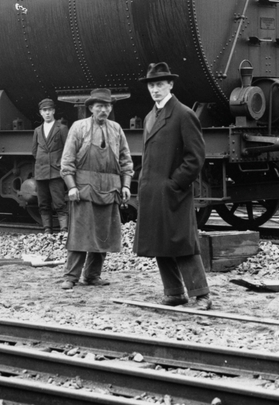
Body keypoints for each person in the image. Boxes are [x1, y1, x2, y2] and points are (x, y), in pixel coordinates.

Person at [133, 62, 212, 309]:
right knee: (160, 242)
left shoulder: (183, 114)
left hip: (172, 192)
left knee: (183, 242)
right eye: (151, 85)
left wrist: (174, 183)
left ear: (170, 85)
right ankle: (174, 292)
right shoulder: (149, 116)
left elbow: (196, 157)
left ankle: (202, 295)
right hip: (153, 192)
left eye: (159, 84)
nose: (155, 89)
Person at [59, 88, 132, 288]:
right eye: (99, 106)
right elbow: (67, 161)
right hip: (84, 188)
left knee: (103, 234)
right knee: (80, 234)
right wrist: (72, 186)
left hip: (110, 189)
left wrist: (125, 185)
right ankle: (70, 277)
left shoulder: (116, 129)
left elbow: (126, 160)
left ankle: (92, 276)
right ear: (91, 107)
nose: (103, 110)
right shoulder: (78, 127)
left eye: (107, 106)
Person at [31, 98, 69, 234]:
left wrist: (58, 163)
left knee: (59, 202)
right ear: (40, 113)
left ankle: (64, 229)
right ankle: (47, 229)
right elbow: (34, 151)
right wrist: (43, 161)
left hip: (56, 171)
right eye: (44, 110)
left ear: (53, 111)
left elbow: (67, 149)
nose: (47, 113)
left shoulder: (62, 128)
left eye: (49, 110)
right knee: (43, 203)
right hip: (41, 171)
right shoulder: (37, 130)